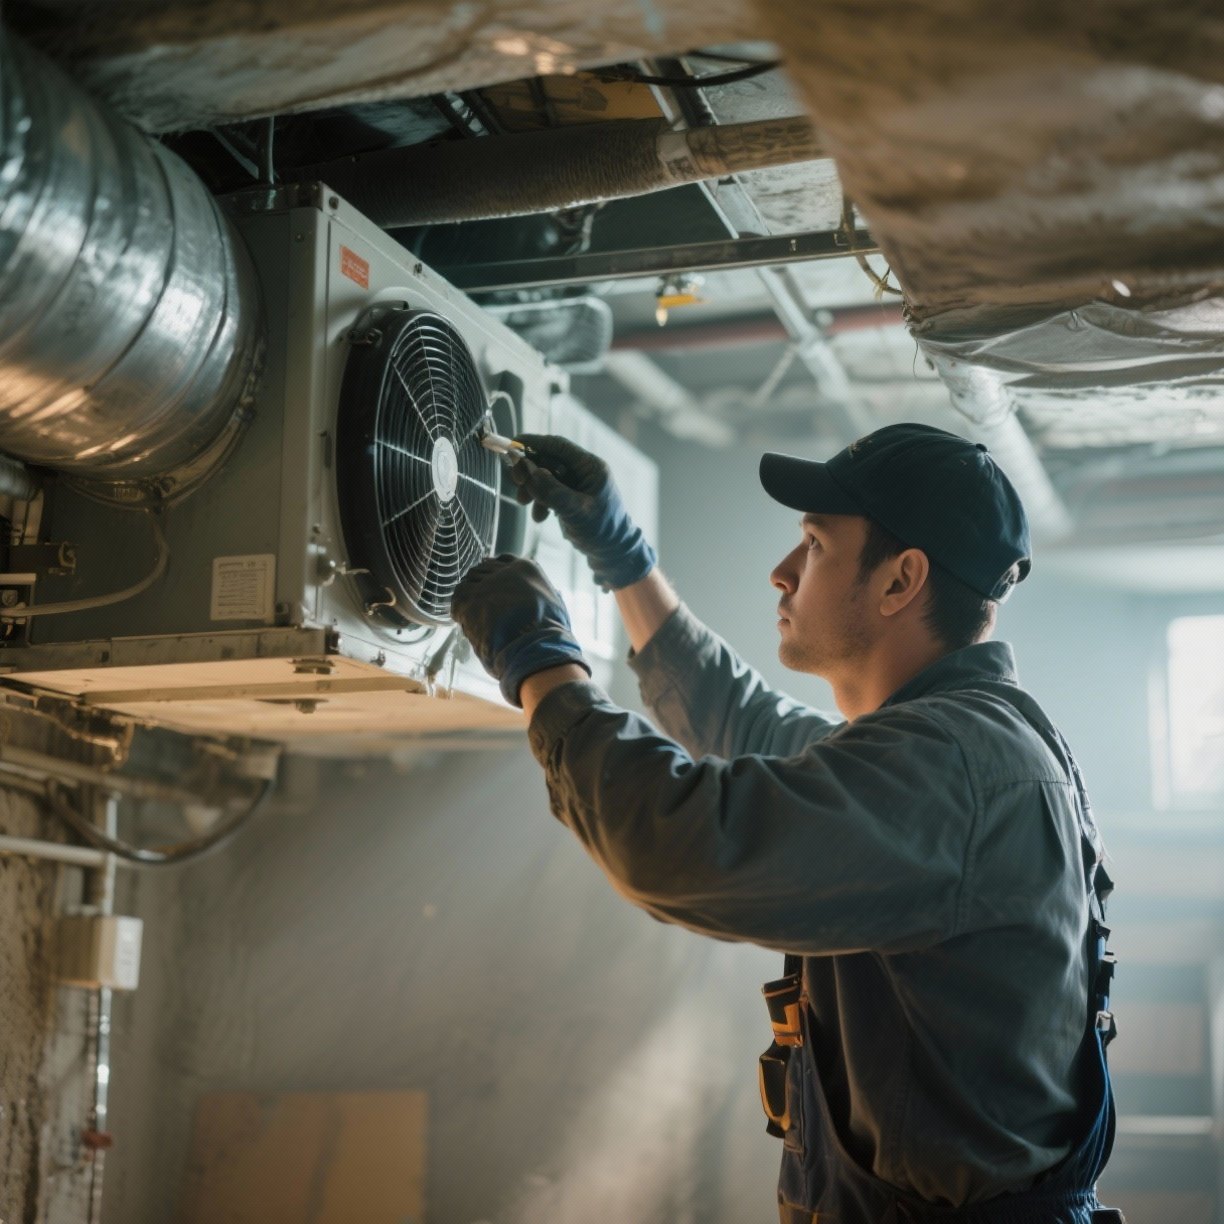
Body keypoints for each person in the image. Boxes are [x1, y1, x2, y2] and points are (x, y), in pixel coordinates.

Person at [450, 423, 1123, 1224]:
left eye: (814, 544)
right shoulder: (959, 743)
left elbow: (680, 846)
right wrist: (621, 555)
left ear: (900, 580)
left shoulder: (954, 769)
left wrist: (539, 661)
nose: (782, 571)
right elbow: (746, 722)